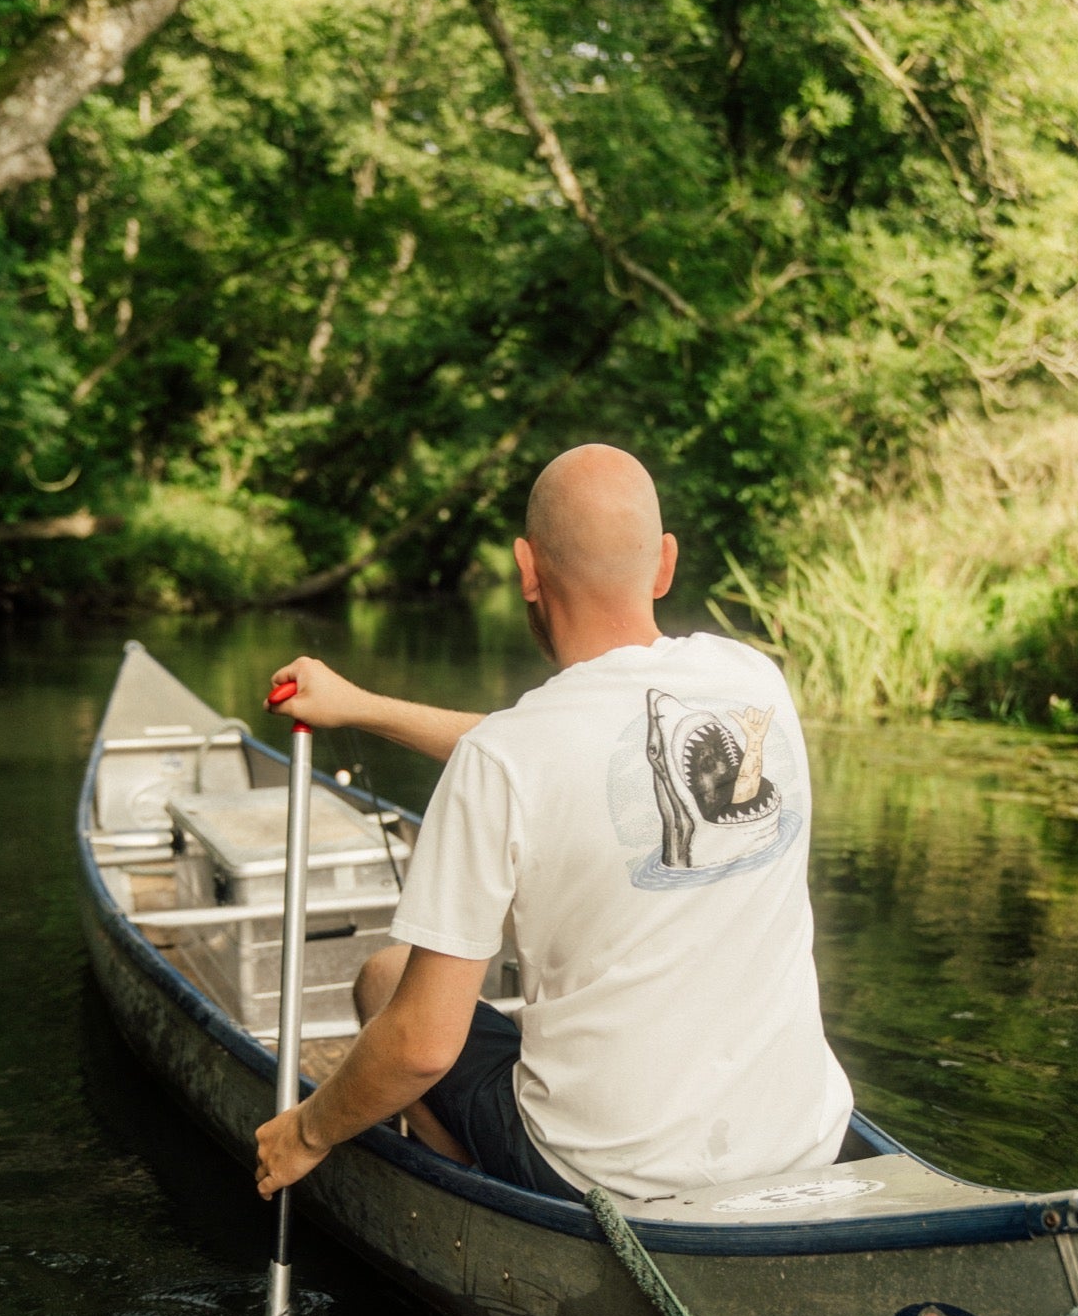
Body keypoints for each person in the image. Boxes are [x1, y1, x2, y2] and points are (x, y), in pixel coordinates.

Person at [254, 443, 852, 1207]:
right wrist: (360, 708)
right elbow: (564, 749)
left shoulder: (508, 759)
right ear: (663, 565)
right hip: (804, 1140)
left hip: (604, 1175)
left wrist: (305, 1132)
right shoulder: (750, 682)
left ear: (526, 569)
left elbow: (420, 1048)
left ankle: (476, 1203)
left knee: (384, 981)